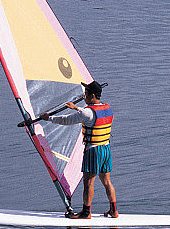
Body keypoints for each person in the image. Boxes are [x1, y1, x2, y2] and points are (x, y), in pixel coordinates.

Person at [39, 80, 118, 219]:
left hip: (94, 151)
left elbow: (66, 120)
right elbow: (88, 113)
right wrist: (76, 108)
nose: (84, 96)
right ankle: (114, 210)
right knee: (107, 181)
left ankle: (86, 213)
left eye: (86, 94)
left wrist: (49, 118)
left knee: (88, 182)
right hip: (106, 149)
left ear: (92, 96)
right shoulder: (107, 108)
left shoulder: (87, 113)